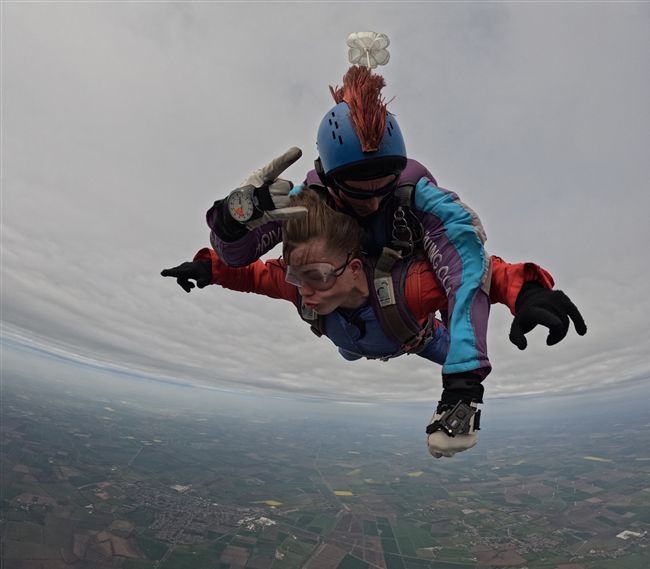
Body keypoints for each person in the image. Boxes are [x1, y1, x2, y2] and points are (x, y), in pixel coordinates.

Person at [200, 65, 586, 417]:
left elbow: (468, 266)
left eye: (383, 184)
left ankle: (371, 338)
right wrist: (232, 219)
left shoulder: (417, 202)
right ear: (329, 179)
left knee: (439, 326)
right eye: (356, 190)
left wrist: (526, 293)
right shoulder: (307, 210)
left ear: (398, 173)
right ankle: (355, 340)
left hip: (409, 328)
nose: (372, 202)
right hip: (355, 324)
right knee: (344, 332)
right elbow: (244, 263)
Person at [162, 191, 559, 458]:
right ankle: (354, 346)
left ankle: (455, 407)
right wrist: (210, 269)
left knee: (459, 352)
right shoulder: (300, 288)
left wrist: (528, 293)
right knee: (348, 350)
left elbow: (480, 273)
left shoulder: (410, 289)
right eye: (297, 277)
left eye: (316, 276)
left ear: (354, 269)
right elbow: (253, 274)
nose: (305, 290)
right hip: (352, 341)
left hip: (413, 335)